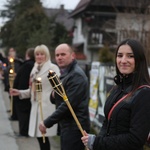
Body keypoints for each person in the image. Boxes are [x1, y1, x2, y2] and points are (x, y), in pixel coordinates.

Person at [81, 39, 150, 150]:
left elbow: (135, 139)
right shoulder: (117, 88)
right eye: (120, 55)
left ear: (139, 60)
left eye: (130, 56)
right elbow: (107, 122)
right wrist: (96, 142)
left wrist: (98, 142)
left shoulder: (144, 93)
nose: (123, 60)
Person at [39, 43, 90, 150]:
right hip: (67, 125)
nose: (59, 58)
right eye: (57, 55)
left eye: (63, 54)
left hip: (75, 127)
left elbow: (68, 105)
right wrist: (53, 95)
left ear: (73, 56)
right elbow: (57, 97)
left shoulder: (76, 75)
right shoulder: (66, 73)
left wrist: (47, 122)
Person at [10, 44, 60, 150]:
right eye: (37, 54)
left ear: (46, 55)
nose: (39, 56)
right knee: (39, 137)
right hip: (35, 107)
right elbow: (33, 91)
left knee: (43, 136)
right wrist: (19, 92)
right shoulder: (35, 68)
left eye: (42, 54)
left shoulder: (52, 68)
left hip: (46, 107)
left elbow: (58, 88)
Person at [13, 48, 35, 137]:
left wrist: (20, 92)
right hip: (25, 92)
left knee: (23, 114)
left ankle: (24, 132)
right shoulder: (31, 65)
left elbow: (23, 80)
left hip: (24, 94)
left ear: (28, 55)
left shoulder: (27, 65)